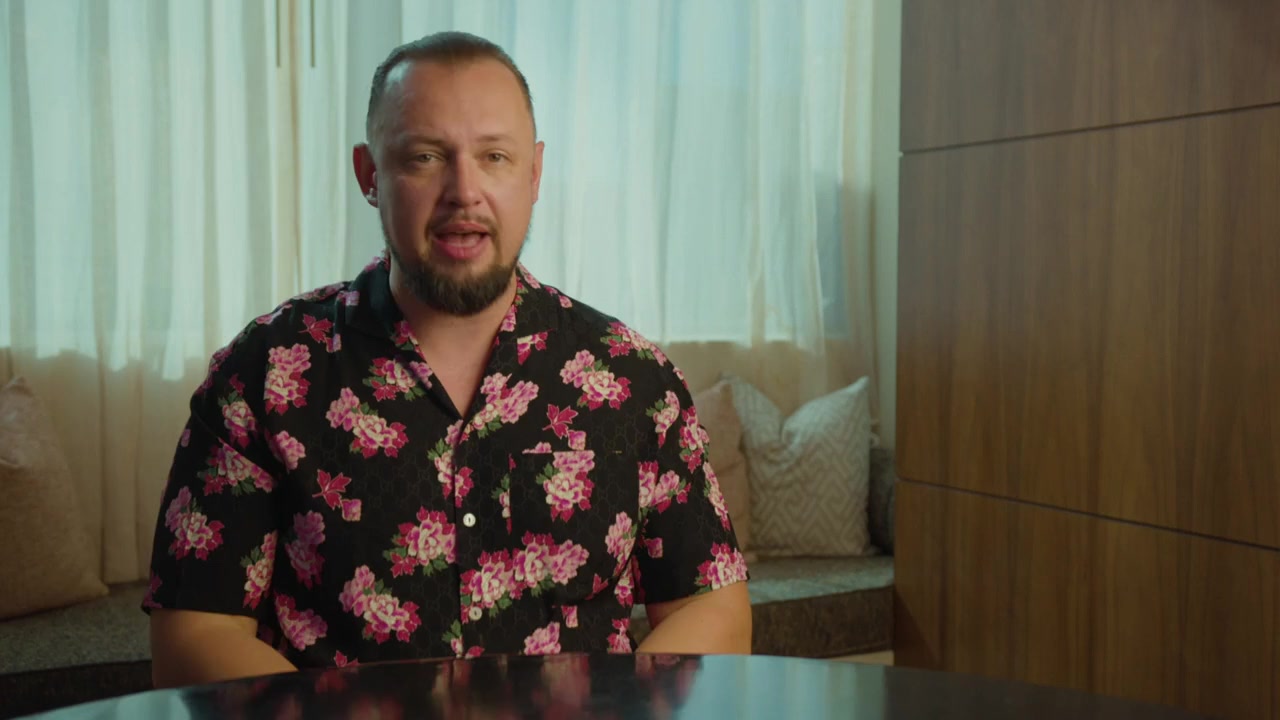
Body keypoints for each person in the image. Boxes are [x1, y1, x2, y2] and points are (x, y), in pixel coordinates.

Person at [142, 31, 751, 689]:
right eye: (426, 157)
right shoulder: (262, 374)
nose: (464, 190)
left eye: (495, 157)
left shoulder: (635, 378)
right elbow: (195, 634)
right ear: (369, 175)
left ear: (534, 173)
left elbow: (710, 608)